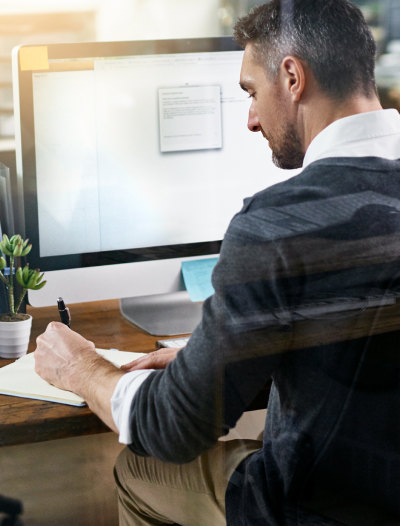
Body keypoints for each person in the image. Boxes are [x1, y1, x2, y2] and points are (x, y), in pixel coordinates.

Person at [34, 1, 400, 524]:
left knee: (139, 470)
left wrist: (82, 368)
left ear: (292, 77)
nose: (251, 120)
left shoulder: (279, 223)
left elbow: (174, 428)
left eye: (252, 91)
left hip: (313, 506)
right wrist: (214, 357)